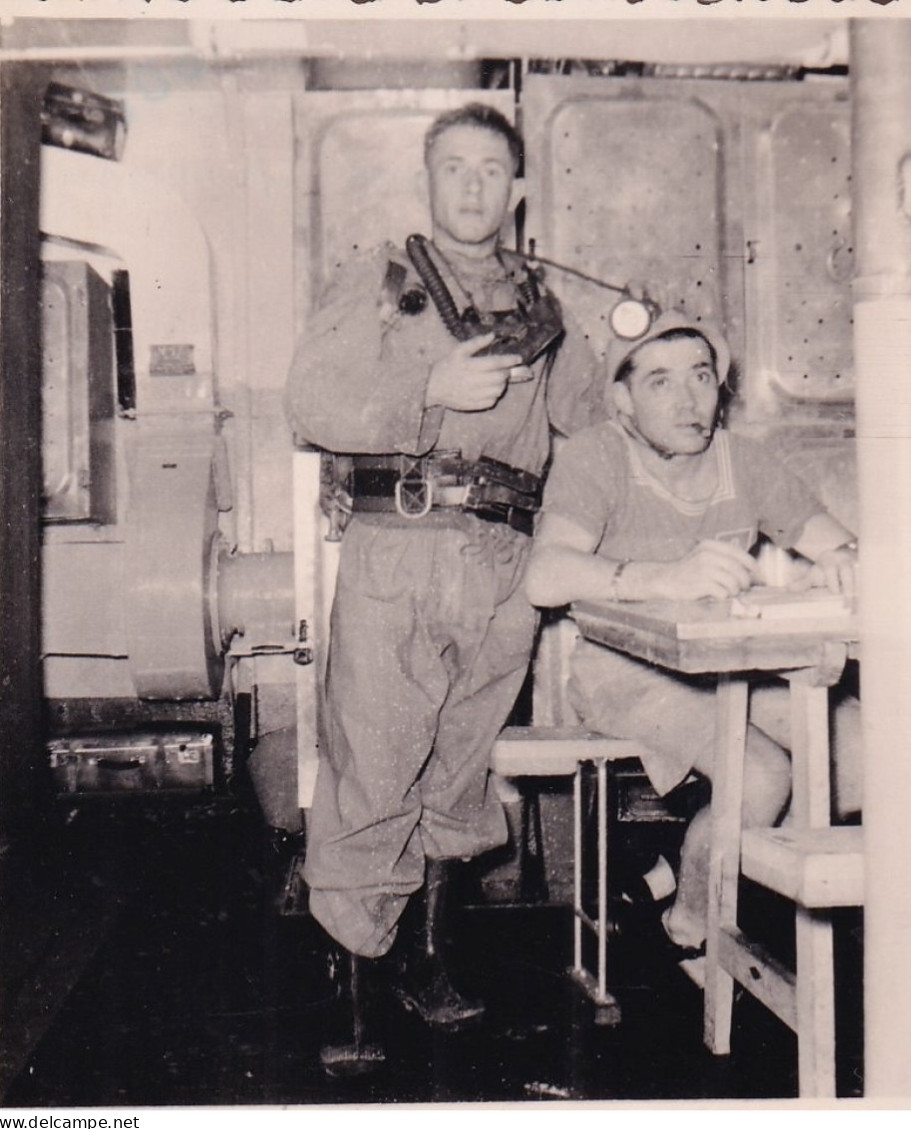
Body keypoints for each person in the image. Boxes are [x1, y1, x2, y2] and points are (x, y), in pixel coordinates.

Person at [286, 103, 604, 1056]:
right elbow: (310, 403)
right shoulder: (383, 280)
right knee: (374, 764)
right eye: (453, 167)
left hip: (505, 557)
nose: (471, 186)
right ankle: (352, 987)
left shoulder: (543, 302)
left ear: (516, 190)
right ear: (429, 181)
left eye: (489, 170)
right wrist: (426, 392)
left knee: (456, 771)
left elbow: (589, 422)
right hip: (403, 541)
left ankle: (425, 962)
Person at [524, 310, 861, 952]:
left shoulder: (744, 459)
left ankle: (688, 863)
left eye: (701, 376)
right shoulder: (597, 456)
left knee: (868, 759)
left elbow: (833, 541)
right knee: (761, 777)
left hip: (731, 666)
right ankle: (693, 922)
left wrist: (844, 559)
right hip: (628, 673)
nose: (687, 400)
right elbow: (545, 577)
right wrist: (664, 577)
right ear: (621, 399)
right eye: (659, 382)